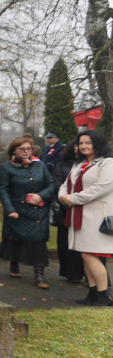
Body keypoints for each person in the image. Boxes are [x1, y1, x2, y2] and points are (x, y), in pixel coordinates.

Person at [58, 130, 113, 306]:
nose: (83, 146)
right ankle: (92, 293)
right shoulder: (78, 164)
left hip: (97, 216)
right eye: (81, 143)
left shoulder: (107, 163)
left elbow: (101, 188)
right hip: (79, 215)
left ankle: (104, 296)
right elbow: (65, 185)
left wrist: (72, 199)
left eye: (88, 143)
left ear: (98, 143)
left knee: (91, 255)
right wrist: (63, 196)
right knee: (85, 255)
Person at [0, 135, 55, 288]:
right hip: (17, 210)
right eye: (22, 149)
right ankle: (14, 263)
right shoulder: (6, 168)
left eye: (28, 149)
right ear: (14, 151)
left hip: (37, 212)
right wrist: (9, 209)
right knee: (15, 238)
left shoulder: (40, 166)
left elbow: (51, 185)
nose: (26, 151)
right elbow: (3, 190)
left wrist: (40, 196)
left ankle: (39, 274)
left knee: (38, 241)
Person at [51, 142, 85, 284]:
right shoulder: (62, 165)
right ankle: (72, 273)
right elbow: (58, 185)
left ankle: (91, 276)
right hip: (67, 208)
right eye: (78, 144)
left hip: (85, 207)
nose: (80, 147)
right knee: (66, 242)